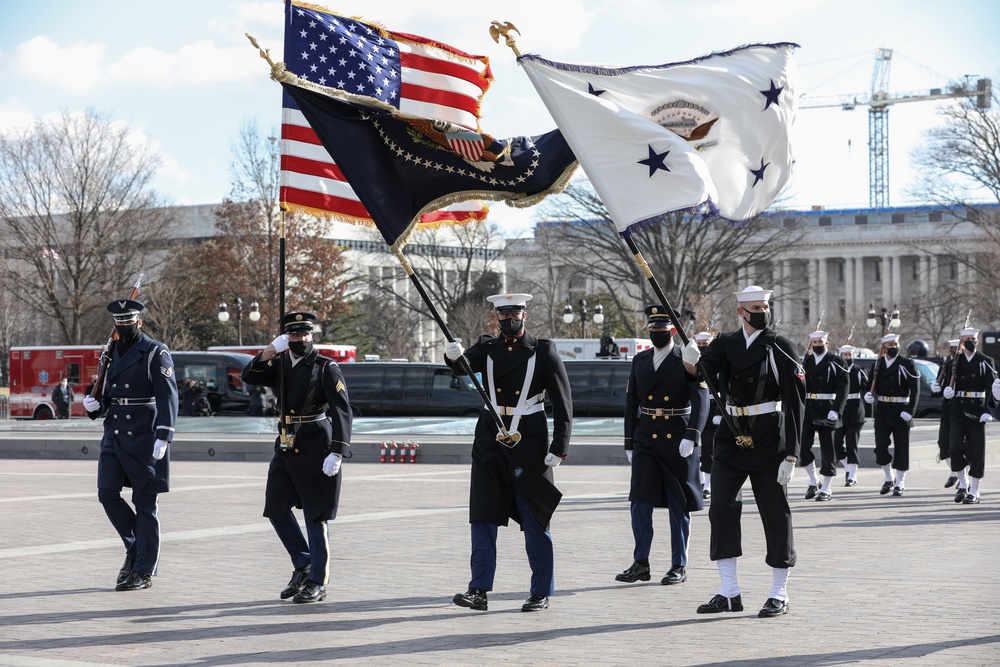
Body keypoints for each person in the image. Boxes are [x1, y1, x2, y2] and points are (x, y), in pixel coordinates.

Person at [445, 293, 572, 613]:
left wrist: (560, 447)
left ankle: (540, 591)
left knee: (535, 519)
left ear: (524, 316)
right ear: (496, 318)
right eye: (503, 315)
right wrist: (452, 355)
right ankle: (478, 590)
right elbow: (463, 367)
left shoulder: (543, 350)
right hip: (491, 438)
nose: (508, 320)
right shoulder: (486, 348)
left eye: (514, 314)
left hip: (530, 439)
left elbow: (563, 401)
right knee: (482, 517)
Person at [682, 286, 805, 618]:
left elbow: (796, 402)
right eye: (755, 306)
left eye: (765, 305)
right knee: (721, 506)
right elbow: (700, 375)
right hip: (730, 436)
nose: (762, 310)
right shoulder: (726, 344)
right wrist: (689, 360)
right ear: (741, 312)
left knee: (774, 511)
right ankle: (729, 591)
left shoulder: (780, 346)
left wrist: (792, 454)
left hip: (768, 436)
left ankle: (779, 592)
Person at [241, 312, 352, 603]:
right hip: (287, 440)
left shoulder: (325, 367)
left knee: (316, 514)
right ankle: (303, 564)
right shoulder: (278, 364)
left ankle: (318, 580)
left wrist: (338, 451)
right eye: (294, 335)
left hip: (316, 440)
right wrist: (268, 351)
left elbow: (342, 410)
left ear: (312, 335)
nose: (300, 339)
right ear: (286, 337)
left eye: (304, 334)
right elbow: (249, 375)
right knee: (276, 508)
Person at [83, 299, 178, 592]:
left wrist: (164, 434)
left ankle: (144, 570)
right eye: (119, 322)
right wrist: (92, 405)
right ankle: (135, 547)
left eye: (129, 322)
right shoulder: (109, 352)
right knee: (106, 494)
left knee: (145, 503)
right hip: (114, 433)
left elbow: (168, 395)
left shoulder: (154, 351)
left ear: (139, 322)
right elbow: (103, 388)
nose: (124, 327)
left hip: (144, 435)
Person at [616, 307, 708, 586]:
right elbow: (632, 403)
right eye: (652, 330)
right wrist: (629, 441)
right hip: (646, 436)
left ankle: (678, 564)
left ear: (671, 331)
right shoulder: (640, 359)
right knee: (639, 502)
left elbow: (701, 398)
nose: (656, 333)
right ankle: (641, 562)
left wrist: (692, 435)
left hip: (677, 434)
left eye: (661, 330)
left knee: (678, 504)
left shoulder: (687, 357)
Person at [945, 327, 997, 504]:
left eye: (974, 339)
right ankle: (963, 482)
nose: (971, 341)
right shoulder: (955, 362)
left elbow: (992, 387)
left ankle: (975, 490)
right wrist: (946, 391)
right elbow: (947, 381)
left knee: (976, 451)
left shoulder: (985, 361)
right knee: (954, 447)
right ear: (961, 341)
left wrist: (988, 410)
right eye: (967, 338)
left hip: (977, 411)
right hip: (958, 409)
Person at [864, 333, 920, 497]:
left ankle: (900, 481)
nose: (894, 347)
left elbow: (915, 389)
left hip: (901, 408)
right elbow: (870, 385)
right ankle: (889, 477)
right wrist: (868, 395)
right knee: (881, 446)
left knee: (902, 448)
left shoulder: (906, 363)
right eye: (890, 345)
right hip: (883, 409)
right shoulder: (878, 364)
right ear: (884, 347)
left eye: (896, 344)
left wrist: (910, 410)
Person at [798, 331, 847, 501]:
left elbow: (843, 388)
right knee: (802, 446)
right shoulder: (806, 361)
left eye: (821, 342)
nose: (818, 344)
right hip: (809, 408)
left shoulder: (837, 361)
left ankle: (827, 487)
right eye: (815, 342)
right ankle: (813, 480)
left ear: (827, 343)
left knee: (828, 449)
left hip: (827, 409)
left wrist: (836, 409)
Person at [833, 345, 868, 487]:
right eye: (844, 355)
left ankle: (852, 475)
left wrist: (870, 412)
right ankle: (848, 467)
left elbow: (868, 391)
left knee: (852, 444)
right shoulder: (836, 370)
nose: (847, 357)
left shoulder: (859, 371)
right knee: (836, 445)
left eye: (849, 354)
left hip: (855, 409)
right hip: (840, 410)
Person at [695, 331, 720, 500]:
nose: (703, 346)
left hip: (713, 408)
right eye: (701, 343)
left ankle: (709, 484)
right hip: (697, 408)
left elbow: (725, 391)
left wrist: (720, 412)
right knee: (695, 447)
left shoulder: (719, 362)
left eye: (707, 343)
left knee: (709, 448)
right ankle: (700, 481)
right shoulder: (693, 362)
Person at [931, 340, 960, 489]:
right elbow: (939, 389)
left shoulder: (966, 366)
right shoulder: (947, 365)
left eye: (955, 351)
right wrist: (936, 388)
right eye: (952, 350)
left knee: (960, 446)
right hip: (947, 410)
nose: (953, 353)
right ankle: (955, 471)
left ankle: (961, 476)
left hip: (962, 409)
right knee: (943, 444)